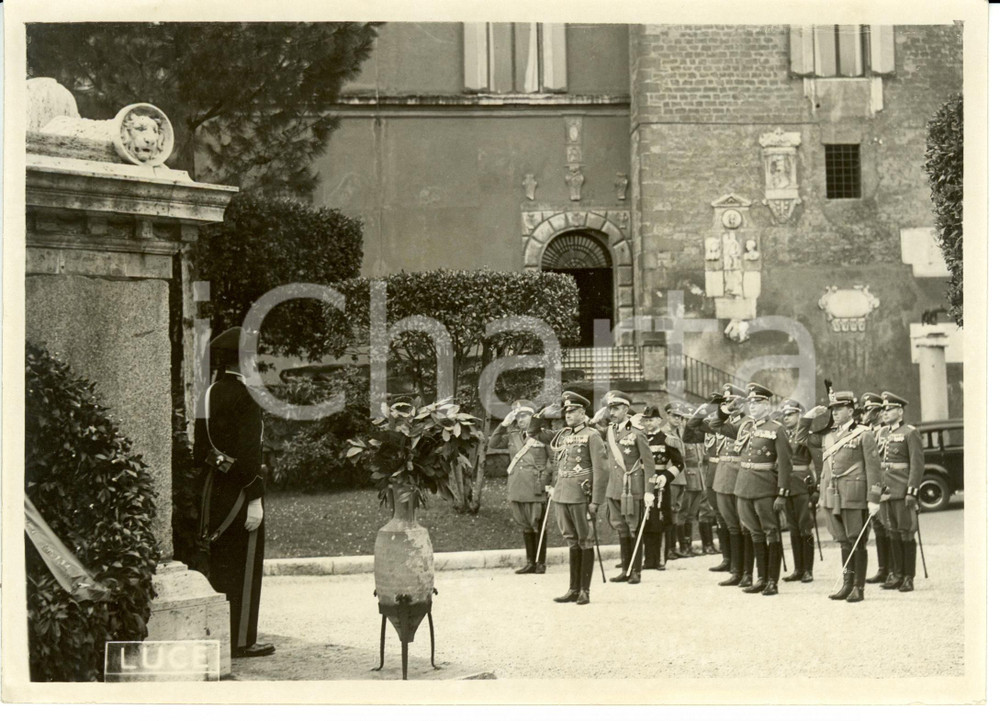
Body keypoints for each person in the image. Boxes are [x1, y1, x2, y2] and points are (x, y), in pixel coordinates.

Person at [194, 327, 275, 658]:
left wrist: (223, 467)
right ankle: (242, 640)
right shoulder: (247, 396)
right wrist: (254, 495)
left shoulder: (208, 393)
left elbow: (201, 449)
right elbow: (250, 453)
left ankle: (221, 637)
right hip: (242, 493)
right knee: (244, 566)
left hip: (213, 490)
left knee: (221, 561)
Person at [808, 390, 883, 603]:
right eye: (833, 409)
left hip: (855, 494)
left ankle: (858, 587)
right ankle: (847, 584)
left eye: (839, 409)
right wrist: (809, 417)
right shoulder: (829, 435)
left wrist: (873, 499)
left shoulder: (863, 433)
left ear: (851, 410)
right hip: (834, 494)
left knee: (856, 539)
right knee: (843, 541)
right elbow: (802, 436)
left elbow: (873, 469)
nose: (835, 413)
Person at [725, 383, 792, 596]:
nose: (752, 407)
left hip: (765, 487)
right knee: (754, 532)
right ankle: (760, 577)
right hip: (744, 486)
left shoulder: (776, 429)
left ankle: (772, 580)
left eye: (757, 403)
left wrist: (782, 493)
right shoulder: (745, 427)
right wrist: (727, 409)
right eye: (750, 403)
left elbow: (785, 464)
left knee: (771, 531)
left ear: (767, 404)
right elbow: (715, 423)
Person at [548, 391, 609, 605]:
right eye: (566, 411)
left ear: (583, 412)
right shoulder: (564, 435)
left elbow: (601, 470)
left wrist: (596, 501)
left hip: (581, 495)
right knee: (571, 540)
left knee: (585, 540)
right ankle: (573, 588)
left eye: (573, 410)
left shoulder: (592, 436)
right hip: (562, 493)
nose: (568, 414)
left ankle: (585, 590)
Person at [488, 400, 553, 574]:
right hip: (517, 485)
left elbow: (552, 460)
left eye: (524, 415)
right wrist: (503, 425)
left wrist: (548, 482)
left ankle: (541, 562)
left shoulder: (543, 435)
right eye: (517, 416)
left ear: (532, 417)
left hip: (536, 485)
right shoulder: (512, 434)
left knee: (537, 522)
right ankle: (530, 562)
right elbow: (492, 444)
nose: (520, 419)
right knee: (524, 523)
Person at [604, 392, 656, 584]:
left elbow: (649, 464)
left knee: (634, 528)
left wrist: (649, 490)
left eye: (616, 408)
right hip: (614, 487)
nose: (612, 412)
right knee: (621, 528)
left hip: (632, 486)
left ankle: (636, 571)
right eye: (611, 408)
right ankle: (625, 569)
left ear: (626, 409)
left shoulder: (636, 432)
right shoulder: (610, 431)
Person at [876, 392, 925, 593]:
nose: (884, 413)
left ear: (900, 411)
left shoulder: (910, 432)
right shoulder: (883, 433)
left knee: (906, 532)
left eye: (889, 409)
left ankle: (908, 577)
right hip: (887, 491)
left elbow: (917, 464)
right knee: (892, 532)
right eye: (883, 410)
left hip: (903, 489)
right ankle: (895, 574)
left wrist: (912, 491)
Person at [708, 385, 755, 587]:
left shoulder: (748, 423)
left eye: (733, 401)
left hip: (740, 477)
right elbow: (713, 423)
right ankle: (736, 570)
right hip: (723, 477)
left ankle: (747, 572)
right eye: (726, 402)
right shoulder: (724, 420)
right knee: (731, 526)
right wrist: (724, 410)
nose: (730, 405)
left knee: (745, 526)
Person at [778, 400, 817, 583]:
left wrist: (815, 489)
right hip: (786, 485)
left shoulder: (807, 436)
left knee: (805, 527)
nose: (786, 418)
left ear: (799, 415)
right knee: (793, 527)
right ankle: (798, 568)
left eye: (790, 415)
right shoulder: (781, 435)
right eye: (784, 415)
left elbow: (817, 463)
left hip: (802, 484)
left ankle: (808, 569)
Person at [642, 406, 684, 570]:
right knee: (645, 520)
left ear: (659, 420)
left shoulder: (667, 439)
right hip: (644, 484)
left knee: (660, 520)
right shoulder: (641, 438)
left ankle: (660, 559)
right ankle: (648, 559)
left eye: (651, 420)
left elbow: (679, 463)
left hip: (660, 486)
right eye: (645, 420)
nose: (648, 423)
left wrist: (665, 477)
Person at [857, 392, 891, 585]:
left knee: (887, 527)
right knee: (878, 528)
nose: (865, 414)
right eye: (865, 410)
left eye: (869, 410)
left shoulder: (885, 431)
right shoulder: (868, 430)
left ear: (878, 412)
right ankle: (883, 569)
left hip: (884, 482)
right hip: (873, 483)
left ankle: (892, 569)